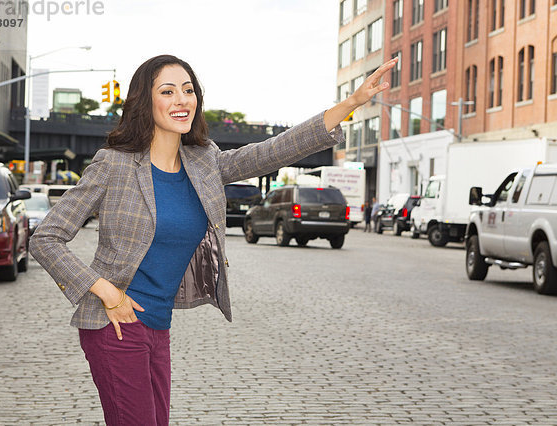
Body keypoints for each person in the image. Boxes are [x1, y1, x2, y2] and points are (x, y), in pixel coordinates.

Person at [29, 54, 397, 425]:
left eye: (188, 90)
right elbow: (46, 238)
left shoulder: (204, 161)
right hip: (115, 325)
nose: (181, 100)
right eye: (168, 91)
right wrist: (105, 291)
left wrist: (350, 104)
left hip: (158, 326)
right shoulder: (115, 164)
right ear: (145, 101)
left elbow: (273, 151)